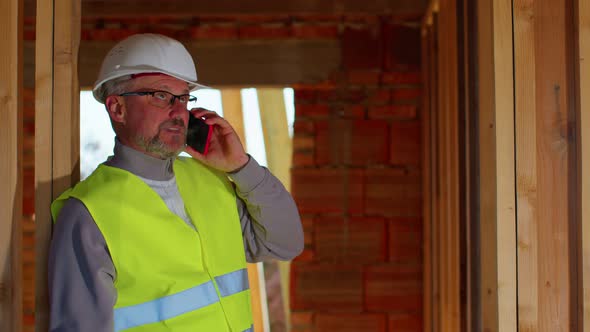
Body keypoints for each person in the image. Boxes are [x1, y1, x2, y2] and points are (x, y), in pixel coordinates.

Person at [48, 33, 304, 332]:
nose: (178, 111)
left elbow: (286, 244)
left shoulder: (211, 180)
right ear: (117, 108)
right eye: (160, 95)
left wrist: (241, 167)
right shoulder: (88, 213)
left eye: (183, 98)